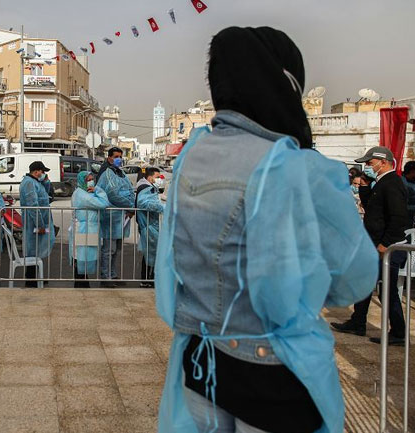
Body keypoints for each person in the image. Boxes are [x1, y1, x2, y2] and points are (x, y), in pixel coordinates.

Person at [156, 27, 378, 433]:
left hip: (201, 363)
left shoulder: (191, 157)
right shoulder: (301, 168)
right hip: (274, 370)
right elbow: (355, 279)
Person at [332, 146, 411, 347]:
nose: (368, 166)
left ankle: (399, 332)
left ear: (383, 162)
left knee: (388, 291)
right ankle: (358, 322)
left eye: (370, 162)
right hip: (375, 244)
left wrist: (386, 244)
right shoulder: (382, 182)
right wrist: (366, 188)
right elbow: (374, 210)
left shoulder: (392, 183)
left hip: (386, 248)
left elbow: (398, 216)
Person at [95, 147, 134, 288]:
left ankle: (113, 273)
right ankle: (105, 276)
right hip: (110, 217)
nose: (119, 159)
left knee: (116, 249)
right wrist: (130, 205)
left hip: (121, 217)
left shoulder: (121, 173)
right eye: (116, 156)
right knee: (108, 249)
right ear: (109, 158)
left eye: (120, 156)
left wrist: (131, 204)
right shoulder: (107, 173)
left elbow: (130, 189)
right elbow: (113, 194)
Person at [69, 171, 111, 288]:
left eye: (92, 179)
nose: (91, 182)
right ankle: (81, 285)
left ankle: (83, 283)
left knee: (86, 258)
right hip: (83, 230)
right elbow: (103, 203)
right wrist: (98, 190)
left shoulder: (85, 193)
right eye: (88, 180)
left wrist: (95, 191)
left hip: (89, 229)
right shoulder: (81, 195)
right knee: (81, 258)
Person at [20, 161, 55, 288]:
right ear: (36, 171)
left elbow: (46, 195)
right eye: (43, 171)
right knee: (32, 251)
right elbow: (33, 205)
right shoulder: (29, 183)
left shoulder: (36, 182)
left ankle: (37, 276)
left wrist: (46, 182)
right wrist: (39, 225)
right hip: (33, 223)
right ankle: (31, 279)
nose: (44, 174)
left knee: (37, 250)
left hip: (39, 222)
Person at [135, 167, 165, 288]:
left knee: (151, 253)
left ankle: (149, 279)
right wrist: (161, 207)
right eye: (157, 177)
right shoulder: (146, 188)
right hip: (148, 225)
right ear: (150, 177)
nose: (159, 179)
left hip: (151, 225)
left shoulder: (148, 187)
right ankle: (147, 280)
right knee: (150, 254)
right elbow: (143, 203)